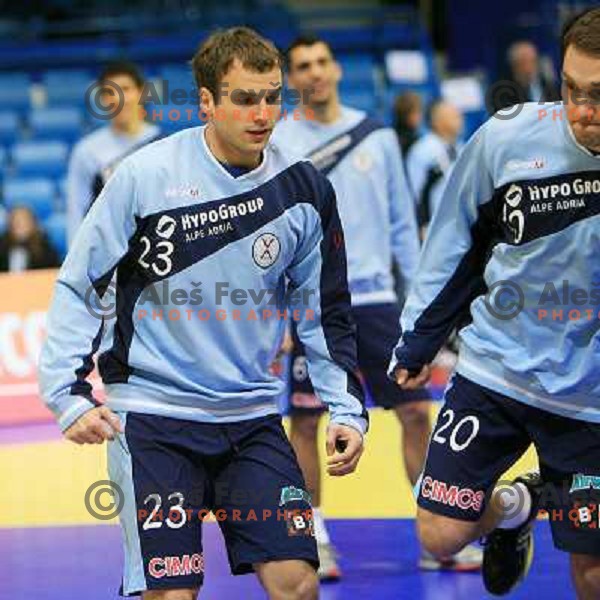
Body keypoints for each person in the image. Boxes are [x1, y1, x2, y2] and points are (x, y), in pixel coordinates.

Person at [39, 27, 367, 600]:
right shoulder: (144, 177)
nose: (262, 113)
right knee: (171, 594)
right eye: (244, 98)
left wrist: (346, 408)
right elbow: (80, 283)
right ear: (207, 102)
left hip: (251, 418)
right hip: (153, 419)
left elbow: (324, 311)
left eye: (272, 96)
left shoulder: (305, 188)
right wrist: (66, 394)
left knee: (298, 584)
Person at [391, 8, 600, 597]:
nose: (581, 112)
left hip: (589, 398)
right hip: (497, 370)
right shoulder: (507, 137)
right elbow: (456, 239)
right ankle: (517, 507)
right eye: (571, 90)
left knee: (593, 575)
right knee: (437, 533)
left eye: (598, 95)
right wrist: (420, 337)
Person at [273, 34, 481, 578]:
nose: (314, 73)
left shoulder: (380, 138)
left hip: (377, 302)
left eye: (321, 62)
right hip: (310, 304)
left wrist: (422, 307)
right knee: (306, 422)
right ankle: (312, 539)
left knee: (416, 412)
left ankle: (439, 536)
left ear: (336, 68)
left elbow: (400, 228)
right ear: (291, 79)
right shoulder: (280, 142)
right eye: (302, 67)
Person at [67, 60, 163, 245]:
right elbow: (76, 212)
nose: (118, 99)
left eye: (125, 89)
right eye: (110, 92)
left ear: (141, 93)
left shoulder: (162, 144)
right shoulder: (87, 152)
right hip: (109, 256)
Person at [405, 99, 463, 238]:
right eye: (453, 115)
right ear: (436, 121)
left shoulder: (462, 147)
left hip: (459, 226)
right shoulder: (422, 150)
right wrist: (421, 224)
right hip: (432, 228)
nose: (460, 118)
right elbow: (413, 192)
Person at [493, 40, 560, 112]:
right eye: (523, 63)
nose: (528, 68)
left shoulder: (548, 85)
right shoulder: (504, 90)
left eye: (533, 61)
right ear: (514, 66)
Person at [0, 206, 59, 272]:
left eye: (24, 222)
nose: (19, 226)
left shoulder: (45, 248)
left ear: (33, 224)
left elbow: (53, 272)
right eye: (16, 222)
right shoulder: (2, 247)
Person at [393, 91, 423, 158]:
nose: (420, 117)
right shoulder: (395, 138)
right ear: (405, 114)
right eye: (416, 112)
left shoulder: (415, 136)